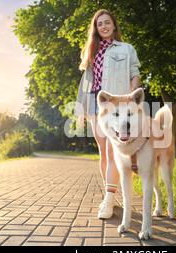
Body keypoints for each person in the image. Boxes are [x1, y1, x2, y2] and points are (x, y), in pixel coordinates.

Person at [75, 9, 141, 219]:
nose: (103, 26)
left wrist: (130, 100)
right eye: (99, 24)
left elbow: (135, 74)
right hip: (96, 105)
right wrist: (81, 109)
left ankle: (109, 200)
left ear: (114, 25)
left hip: (117, 106)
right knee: (104, 152)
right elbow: (86, 83)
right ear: (96, 29)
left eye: (106, 22)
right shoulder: (91, 51)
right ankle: (110, 195)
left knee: (113, 152)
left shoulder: (126, 49)